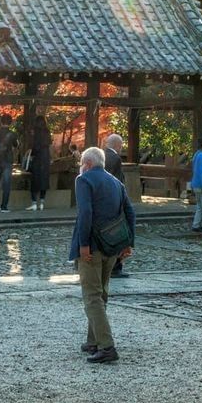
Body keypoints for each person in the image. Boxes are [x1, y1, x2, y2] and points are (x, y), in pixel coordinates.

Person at [70, 146, 135, 364]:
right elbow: (129, 212)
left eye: (81, 163)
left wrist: (83, 244)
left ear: (87, 164)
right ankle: (93, 340)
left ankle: (106, 346)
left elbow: (85, 212)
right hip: (112, 245)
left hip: (93, 246)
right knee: (101, 293)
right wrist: (128, 243)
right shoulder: (116, 182)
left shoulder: (84, 180)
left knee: (91, 295)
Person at [102, 134, 128, 277]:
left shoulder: (102, 156)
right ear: (117, 145)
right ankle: (116, 267)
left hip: (104, 201)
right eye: (121, 145)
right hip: (114, 201)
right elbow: (117, 181)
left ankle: (108, 265)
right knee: (118, 234)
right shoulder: (116, 159)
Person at [0, 115, 18, 212]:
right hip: (7, 160)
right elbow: (16, 145)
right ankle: (4, 206)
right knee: (6, 183)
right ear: (10, 122)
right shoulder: (12, 134)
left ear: (1, 122)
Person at [27, 115, 52, 211]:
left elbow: (33, 146)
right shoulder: (47, 131)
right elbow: (50, 146)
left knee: (35, 180)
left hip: (37, 158)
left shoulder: (34, 132)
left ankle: (34, 203)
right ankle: (42, 203)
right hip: (46, 158)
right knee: (44, 180)